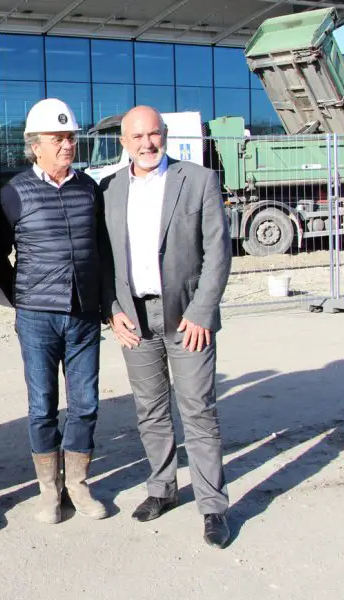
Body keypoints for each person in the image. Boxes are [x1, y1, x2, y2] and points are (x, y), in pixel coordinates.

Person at [100, 106, 233, 548]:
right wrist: (112, 308)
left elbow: (217, 253)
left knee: (198, 410)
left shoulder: (197, 180)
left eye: (154, 134)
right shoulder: (110, 189)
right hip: (134, 318)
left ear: (166, 135)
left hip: (186, 317)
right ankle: (162, 489)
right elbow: (102, 260)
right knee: (150, 410)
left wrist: (201, 311)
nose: (146, 144)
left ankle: (213, 506)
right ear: (124, 141)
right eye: (137, 136)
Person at [0, 98, 111, 524]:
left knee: (86, 403)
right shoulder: (14, 193)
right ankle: (49, 490)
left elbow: (102, 250)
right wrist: (17, 295)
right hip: (37, 318)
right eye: (57, 138)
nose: (67, 145)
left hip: (83, 316)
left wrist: (107, 304)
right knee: (42, 406)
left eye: (71, 137)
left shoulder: (88, 188)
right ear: (35, 145)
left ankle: (77, 483)